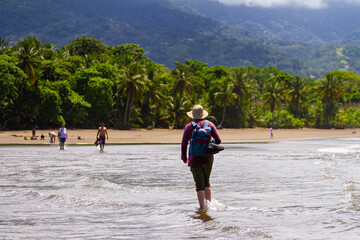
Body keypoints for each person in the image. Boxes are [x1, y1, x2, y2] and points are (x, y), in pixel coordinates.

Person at [181, 105, 221, 210]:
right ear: (203, 114)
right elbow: (219, 140)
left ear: (193, 115)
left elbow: (184, 144)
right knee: (206, 182)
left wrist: (184, 158)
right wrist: (210, 143)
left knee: (199, 185)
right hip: (208, 158)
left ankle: (202, 209)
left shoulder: (189, 127)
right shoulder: (210, 124)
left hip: (194, 159)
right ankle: (209, 206)